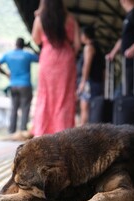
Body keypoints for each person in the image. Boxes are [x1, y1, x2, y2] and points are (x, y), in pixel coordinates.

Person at [31, 0, 81, 136]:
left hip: (48, 58)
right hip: (66, 59)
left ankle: (42, 133)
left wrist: (39, 13)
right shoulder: (70, 19)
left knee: (45, 95)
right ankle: (63, 133)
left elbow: (36, 40)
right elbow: (77, 45)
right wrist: (69, 53)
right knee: (64, 97)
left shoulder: (40, 19)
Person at [0, 37, 39, 139]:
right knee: (25, 108)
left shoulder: (8, 55)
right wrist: (31, 47)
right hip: (25, 85)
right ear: (24, 45)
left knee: (14, 108)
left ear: (15, 44)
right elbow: (41, 57)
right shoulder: (27, 55)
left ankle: (11, 131)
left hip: (13, 85)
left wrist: (6, 74)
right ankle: (22, 132)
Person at [77, 26, 105, 125]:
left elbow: (87, 65)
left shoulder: (88, 47)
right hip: (97, 82)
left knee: (85, 108)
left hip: (90, 82)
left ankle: (82, 133)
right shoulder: (98, 48)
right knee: (94, 109)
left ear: (85, 35)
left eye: (81, 34)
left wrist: (83, 82)